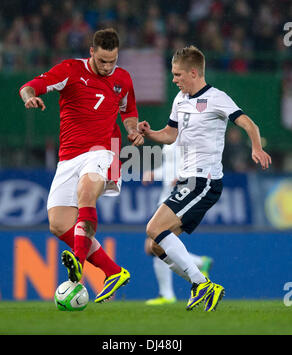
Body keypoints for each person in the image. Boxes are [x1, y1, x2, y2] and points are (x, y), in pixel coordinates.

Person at [138, 45, 272, 312]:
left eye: (178, 74)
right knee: (155, 245)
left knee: (153, 229)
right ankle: (203, 284)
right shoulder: (180, 99)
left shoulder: (217, 98)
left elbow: (248, 123)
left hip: (204, 181)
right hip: (187, 181)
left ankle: (201, 284)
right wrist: (150, 132)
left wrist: (256, 147)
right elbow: (170, 134)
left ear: (194, 72)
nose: (174, 79)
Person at [19, 28, 144, 303]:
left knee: (86, 192)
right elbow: (29, 86)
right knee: (58, 223)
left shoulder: (122, 78)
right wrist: (29, 97)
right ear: (91, 52)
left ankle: (77, 264)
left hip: (104, 151)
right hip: (69, 157)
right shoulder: (70, 70)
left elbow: (129, 111)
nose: (108, 67)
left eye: (113, 61)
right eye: (103, 61)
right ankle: (113, 272)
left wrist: (133, 131)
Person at [142, 141, 213, 305]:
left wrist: (184, 177)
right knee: (155, 246)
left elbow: (199, 161)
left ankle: (169, 293)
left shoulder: (190, 136)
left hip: (178, 195)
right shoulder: (171, 136)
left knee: (155, 243)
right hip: (166, 196)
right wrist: (154, 173)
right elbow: (169, 166)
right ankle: (199, 264)